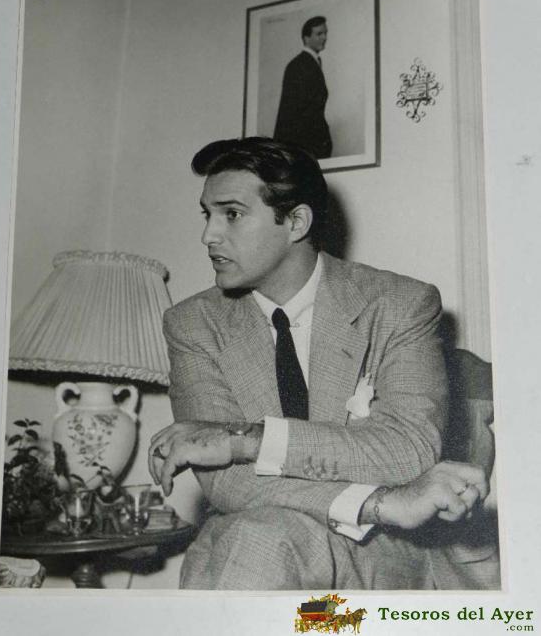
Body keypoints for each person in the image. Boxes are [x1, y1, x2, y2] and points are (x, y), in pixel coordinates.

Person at [149, 137, 490, 590]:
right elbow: (227, 485)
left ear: (296, 222)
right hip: (264, 533)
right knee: (254, 540)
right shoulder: (192, 323)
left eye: (231, 214)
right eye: (207, 214)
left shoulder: (400, 304)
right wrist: (382, 503)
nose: (209, 235)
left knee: (249, 548)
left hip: (381, 554)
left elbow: (407, 451)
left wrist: (244, 440)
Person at [273, 16, 332, 159]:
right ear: (306, 38)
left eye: (325, 33)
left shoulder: (309, 63)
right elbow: (290, 111)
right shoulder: (299, 65)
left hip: (312, 144)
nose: (324, 37)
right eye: (319, 34)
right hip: (305, 146)